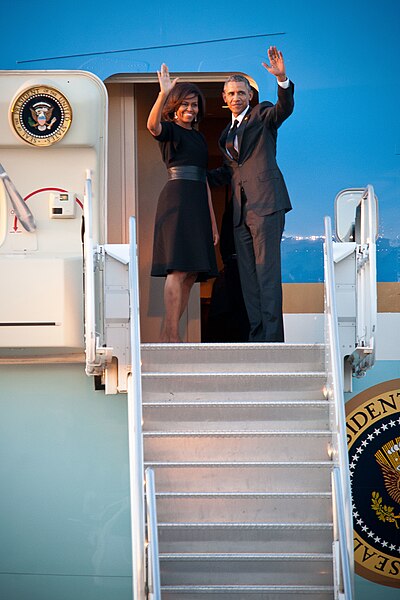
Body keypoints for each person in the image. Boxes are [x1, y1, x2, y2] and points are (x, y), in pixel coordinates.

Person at [208, 46, 294, 342]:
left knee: (267, 275)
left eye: (241, 93)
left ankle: (273, 341)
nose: (236, 98)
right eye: (231, 94)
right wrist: (190, 176)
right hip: (240, 213)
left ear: (250, 96)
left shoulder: (262, 115)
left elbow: (283, 110)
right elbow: (228, 173)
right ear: (224, 98)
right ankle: (258, 339)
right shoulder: (225, 135)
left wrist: (282, 79)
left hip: (266, 205)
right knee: (249, 279)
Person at [147, 64, 219, 343]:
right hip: (176, 201)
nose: (191, 109)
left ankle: (169, 332)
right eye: (186, 104)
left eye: (195, 105)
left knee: (191, 273)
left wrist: (211, 222)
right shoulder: (170, 131)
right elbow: (152, 126)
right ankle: (173, 335)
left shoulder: (199, 138)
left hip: (198, 203)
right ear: (175, 107)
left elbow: (203, 180)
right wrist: (163, 94)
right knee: (177, 268)